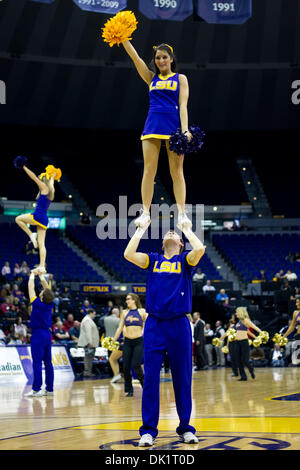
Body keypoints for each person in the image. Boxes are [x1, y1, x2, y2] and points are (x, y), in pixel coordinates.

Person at [124, 221, 205, 447]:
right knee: (150, 378)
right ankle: (148, 430)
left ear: (180, 243)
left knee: (183, 378)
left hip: (179, 323)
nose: (171, 231)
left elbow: (200, 250)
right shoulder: (153, 259)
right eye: (168, 233)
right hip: (155, 323)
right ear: (162, 244)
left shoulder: (185, 260)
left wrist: (188, 229)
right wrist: (140, 229)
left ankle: (186, 428)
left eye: (175, 233)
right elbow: (128, 253)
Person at [121, 40, 193, 231]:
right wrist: (123, 39)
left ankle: (182, 214)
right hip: (152, 125)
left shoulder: (181, 78)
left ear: (171, 59)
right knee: (148, 170)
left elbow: (183, 106)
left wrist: (185, 130)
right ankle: (145, 213)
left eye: (164, 57)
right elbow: (136, 59)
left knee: (176, 172)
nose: (161, 60)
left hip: (173, 128)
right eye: (158, 58)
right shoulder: (151, 78)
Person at [15, 163, 57, 273]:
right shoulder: (51, 190)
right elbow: (51, 182)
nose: (39, 179)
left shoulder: (44, 187)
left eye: (40, 178)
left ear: (43, 179)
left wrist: (23, 166)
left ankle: (31, 235)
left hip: (37, 215)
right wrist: (53, 176)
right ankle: (42, 266)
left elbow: (33, 176)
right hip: (44, 218)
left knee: (18, 219)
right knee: (42, 244)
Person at [24, 269, 55, 397]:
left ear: (41, 296)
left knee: (37, 362)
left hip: (38, 335)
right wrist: (41, 277)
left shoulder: (37, 303)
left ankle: (36, 389)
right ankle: (50, 389)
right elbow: (48, 291)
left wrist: (32, 274)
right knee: (48, 362)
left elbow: (30, 287)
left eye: (41, 292)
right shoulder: (50, 303)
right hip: (47, 335)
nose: (41, 291)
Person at [112, 295, 147, 396]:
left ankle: (145, 386)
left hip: (139, 341)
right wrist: (114, 340)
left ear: (134, 300)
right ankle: (129, 390)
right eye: (126, 299)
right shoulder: (124, 313)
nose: (126, 301)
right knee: (126, 366)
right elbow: (120, 328)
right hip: (127, 342)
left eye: (128, 299)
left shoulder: (142, 312)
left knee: (136, 364)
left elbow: (149, 324)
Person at [234, 307, 264, 381]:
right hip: (237, 342)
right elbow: (247, 331)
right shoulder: (239, 321)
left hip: (244, 342)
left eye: (237, 312)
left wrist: (261, 333)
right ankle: (243, 376)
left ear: (241, 312)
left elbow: (254, 327)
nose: (236, 313)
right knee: (238, 360)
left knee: (245, 360)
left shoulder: (246, 320)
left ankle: (251, 369)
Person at [77, 308, 100, 377]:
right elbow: (88, 332)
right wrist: (90, 342)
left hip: (89, 342)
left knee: (89, 357)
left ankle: (88, 371)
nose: (94, 316)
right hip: (88, 343)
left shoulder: (88, 320)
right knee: (88, 357)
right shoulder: (87, 320)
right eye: (94, 314)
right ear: (91, 313)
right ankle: (87, 372)